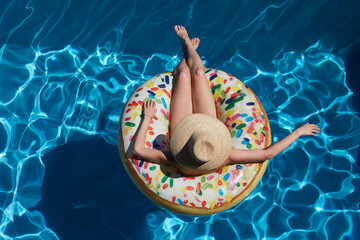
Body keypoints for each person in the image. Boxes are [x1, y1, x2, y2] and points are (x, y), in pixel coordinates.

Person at [132, 25, 320, 176]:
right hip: (208, 122)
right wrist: (298, 132)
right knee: (197, 73)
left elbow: (138, 150)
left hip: (182, 125)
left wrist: (147, 117)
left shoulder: (176, 156)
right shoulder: (226, 156)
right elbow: (267, 154)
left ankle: (186, 51)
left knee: (182, 76)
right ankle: (188, 46)